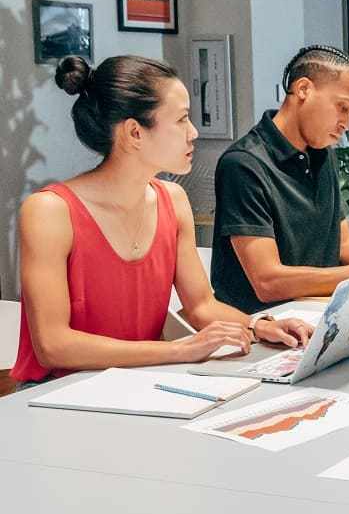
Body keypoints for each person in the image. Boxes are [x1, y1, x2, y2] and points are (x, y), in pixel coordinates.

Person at [11, 55, 312, 388]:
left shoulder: (173, 199)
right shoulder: (48, 212)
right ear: (135, 132)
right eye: (182, 120)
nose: (193, 132)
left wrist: (257, 328)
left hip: (142, 385)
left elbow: (201, 306)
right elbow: (54, 346)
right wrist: (178, 350)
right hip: (57, 397)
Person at [211, 45, 349, 314]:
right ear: (304, 89)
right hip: (262, 327)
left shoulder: (321, 154)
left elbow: (344, 244)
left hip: (317, 314)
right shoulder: (244, 164)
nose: (347, 124)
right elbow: (267, 281)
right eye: (342, 108)